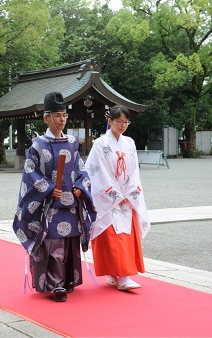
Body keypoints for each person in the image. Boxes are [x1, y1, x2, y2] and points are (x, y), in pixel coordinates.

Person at [12, 91, 96, 302]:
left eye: (64, 116)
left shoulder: (72, 142)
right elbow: (30, 173)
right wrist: (49, 188)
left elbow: (81, 169)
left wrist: (79, 186)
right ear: (46, 118)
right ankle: (54, 284)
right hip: (49, 204)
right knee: (53, 243)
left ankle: (69, 279)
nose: (61, 120)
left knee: (69, 242)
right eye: (57, 116)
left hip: (71, 202)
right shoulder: (38, 145)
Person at [85, 105, 151, 291]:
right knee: (112, 236)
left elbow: (133, 170)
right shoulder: (100, 144)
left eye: (126, 122)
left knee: (125, 235)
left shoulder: (129, 142)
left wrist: (130, 192)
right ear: (109, 121)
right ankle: (120, 276)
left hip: (127, 196)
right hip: (109, 196)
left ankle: (118, 275)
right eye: (119, 121)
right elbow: (97, 172)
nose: (122, 125)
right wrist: (114, 194)